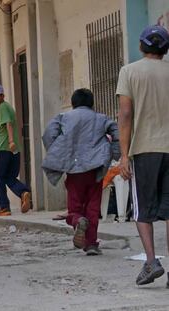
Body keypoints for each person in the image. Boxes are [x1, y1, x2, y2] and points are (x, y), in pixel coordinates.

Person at [116, 25, 169, 285]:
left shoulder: (129, 72)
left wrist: (123, 155)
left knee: (142, 210)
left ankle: (151, 262)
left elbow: (125, 115)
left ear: (141, 46)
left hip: (145, 149)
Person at [42, 88, 120, 255]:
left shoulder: (64, 117)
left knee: (74, 208)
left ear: (73, 103)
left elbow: (48, 134)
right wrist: (114, 152)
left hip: (74, 170)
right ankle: (91, 244)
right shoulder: (101, 118)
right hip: (95, 169)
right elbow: (116, 131)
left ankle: (77, 221)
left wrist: (58, 151)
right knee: (93, 207)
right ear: (92, 103)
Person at [0, 84, 31, 216]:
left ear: (2, 96)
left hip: (3, 147)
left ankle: (4, 207)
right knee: (9, 177)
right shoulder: (8, 107)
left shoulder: (2, 107)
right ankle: (23, 192)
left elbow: (9, 124)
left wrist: (11, 140)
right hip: (14, 149)